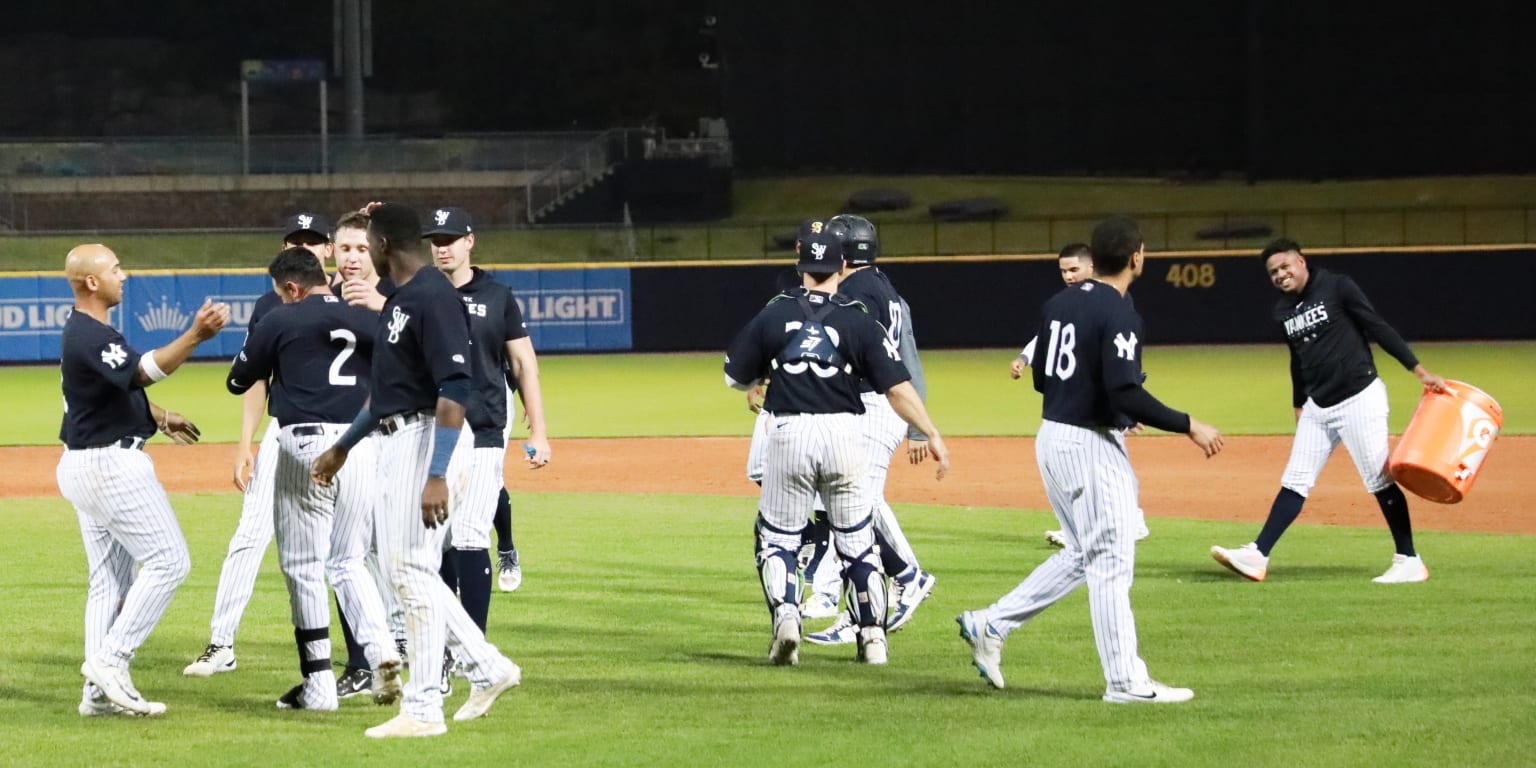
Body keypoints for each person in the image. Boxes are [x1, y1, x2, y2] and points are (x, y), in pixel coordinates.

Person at [957, 216, 1223, 703]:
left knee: (1082, 554)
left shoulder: (1060, 301)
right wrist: (1189, 424)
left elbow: (1045, 379)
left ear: (1095, 258)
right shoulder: (1119, 311)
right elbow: (1126, 388)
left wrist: (1115, 409)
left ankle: (990, 623)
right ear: (1137, 257)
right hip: (1087, 446)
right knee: (1111, 563)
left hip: (1053, 437)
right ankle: (1124, 682)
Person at [312, 202, 519, 738]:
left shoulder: (433, 297)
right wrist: (342, 449)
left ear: (382, 245)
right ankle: (487, 668)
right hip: (397, 436)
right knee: (410, 571)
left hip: (429, 438)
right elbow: (385, 396)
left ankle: (426, 708)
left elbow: (455, 387)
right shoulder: (403, 301)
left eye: (365, 243)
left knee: (408, 571)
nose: (357, 255)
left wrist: (437, 473)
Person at [724, 227, 951, 667]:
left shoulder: (775, 312)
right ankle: (873, 639)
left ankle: (787, 619)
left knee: (776, 541)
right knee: (858, 542)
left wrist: (766, 373)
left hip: (789, 434)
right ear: (841, 266)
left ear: (800, 266)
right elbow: (898, 386)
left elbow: (734, 377)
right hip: (846, 436)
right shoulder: (857, 316)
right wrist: (929, 431)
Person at [226, 247, 403, 711]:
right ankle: (383, 651)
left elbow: (238, 380)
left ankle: (318, 685)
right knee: (348, 560)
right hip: (360, 445)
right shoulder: (364, 316)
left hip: (305, 444)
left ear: (292, 287)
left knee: (304, 568)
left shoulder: (281, 319)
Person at [1211, 238, 1446, 584]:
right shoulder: (1282, 310)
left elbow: (1376, 326)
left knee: (1378, 479)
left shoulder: (1337, 286)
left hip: (1359, 398)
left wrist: (1418, 370)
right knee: (1295, 481)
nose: (1280, 274)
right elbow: (1297, 359)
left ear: (1302, 262)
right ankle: (1257, 555)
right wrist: (1298, 402)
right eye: (1273, 272)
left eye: (1285, 266)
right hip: (1318, 406)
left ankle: (1409, 559)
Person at [59, 243, 230, 716]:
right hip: (110, 467)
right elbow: (142, 372)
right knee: (169, 562)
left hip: (84, 462)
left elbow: (108, 393)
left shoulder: (82, 331)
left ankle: (96, 696)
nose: (124, 275)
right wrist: (195, 335)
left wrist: (156, 417)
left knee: (109, 581)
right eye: (115, 269)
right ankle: (110, 662)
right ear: (91, 282)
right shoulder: (90, 333)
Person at [185, 212, 333, 679]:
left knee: (354, 547)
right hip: (283, 432)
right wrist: (244, 443)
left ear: (328, 249)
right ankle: (221, 643)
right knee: (249, 535)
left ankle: (381, 647)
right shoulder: (270, 306)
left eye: (313, 241)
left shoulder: (354, 295)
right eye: (295, 241)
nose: (304, 248)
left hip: (350, 434)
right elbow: (255, 379)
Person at [426, 206, 551, 691]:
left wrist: (537, 429)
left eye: (452, 237)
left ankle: (471, 653)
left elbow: (524, 364)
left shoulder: (498, 297)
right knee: (435, 544)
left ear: (470, 241)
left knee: (471, 537)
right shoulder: (422, 295)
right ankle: (442, 650)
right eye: (436, 239)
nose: (443, 246)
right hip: (432, 431)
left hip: (482, 430)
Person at [805, 214, 937, 646]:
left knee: (858, 507)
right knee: (851, 506)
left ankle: (903, 579)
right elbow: (909, 357)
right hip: (882, 406)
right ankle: (861, 607)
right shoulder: (887, 289)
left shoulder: (855, 292)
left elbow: (853, 353)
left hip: (873, 405)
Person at [1012, 244, 1150, 550]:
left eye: (1074, 269)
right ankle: (1111, 522)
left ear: (1092, 267)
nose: (1068, 276)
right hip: (1086, 396)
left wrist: (1129, 400)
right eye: (1063, 271)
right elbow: (1047, 335)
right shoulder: (1069, 303)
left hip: (1102, 394)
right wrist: (1024, 357)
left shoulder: (1115, 300)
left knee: (1107, 462)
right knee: (1109, 462)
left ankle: (1121, 521)